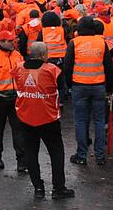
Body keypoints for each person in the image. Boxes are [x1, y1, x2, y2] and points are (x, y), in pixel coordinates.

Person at [11, 43, 74, 200]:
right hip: (48, 118)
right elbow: (62, 91)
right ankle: (59, 188)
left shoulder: (18, 68)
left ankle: (38, 188)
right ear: (44, 55)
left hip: (25, 117)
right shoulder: (52, 70)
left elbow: (16, 88)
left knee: (31, 153)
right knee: (56, 152)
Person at [64, 16, 113, 166]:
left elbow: (67, 67)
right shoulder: (101, 43)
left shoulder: (74, 43)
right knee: (99, 121)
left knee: (81, 121)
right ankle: (100, 155)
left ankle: (81, 155)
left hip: (79, 86)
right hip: (98, 85)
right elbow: (108, 67)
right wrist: (110, 88)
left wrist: (69, 85)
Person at [0, 30, 26, 171]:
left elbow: (23, 76)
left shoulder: (17, 56)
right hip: (0, 100)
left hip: (15, 99)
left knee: (18, 130)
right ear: (1, 42)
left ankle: (21, 160)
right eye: (10, 40)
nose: (13, 42)